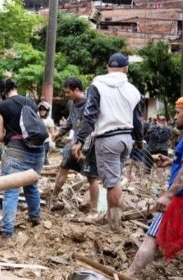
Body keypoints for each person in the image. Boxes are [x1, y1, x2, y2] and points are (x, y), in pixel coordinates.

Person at [72, 53, 144, 233]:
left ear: (107, 67)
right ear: (126, 68)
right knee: (115, 180)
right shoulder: (134, 90)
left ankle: (114, 225)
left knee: (112, 183)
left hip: (108, 139)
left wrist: (79, 140)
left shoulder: (97, 85)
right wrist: (140, 140)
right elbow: (138, 119)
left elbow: (90, 115)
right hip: (126, 138)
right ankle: (114, 219)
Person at [125, 97, 183, 275]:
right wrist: (172, 160)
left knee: (151, 237)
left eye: (178, 112)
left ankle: (129, 274)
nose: (175, 116)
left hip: (179, 197)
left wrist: (168, 195)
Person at [0, 79, 45, 245]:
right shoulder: (31, 103)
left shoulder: (1, 106)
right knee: (31, 186)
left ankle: (7, 233)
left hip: (16, 149)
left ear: (2, 92)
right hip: (38, 149)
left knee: (10, 191)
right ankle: (35, 219)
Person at [50, 77, 99, 213]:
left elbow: (90, 126)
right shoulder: (72, 104)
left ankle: (94, 210)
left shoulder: (90, 104)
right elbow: (70, 121)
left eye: (68, 92)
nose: (67, 96)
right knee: (63, 167)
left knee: (91, 177)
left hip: (90, 144)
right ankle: (53, 197)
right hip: (74, 143)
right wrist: (59, 133)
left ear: (77, 90)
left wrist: (82, 144)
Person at [38, 101, 55, 165]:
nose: (42, 111)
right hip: (38, 140)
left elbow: (52, 132)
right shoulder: (37, 118)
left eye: (44, 110)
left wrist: (53, 141)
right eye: (40, 110)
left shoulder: (49, 120)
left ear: (47, 111)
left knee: (43, 153)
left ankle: (46, 165)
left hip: (46, 141)